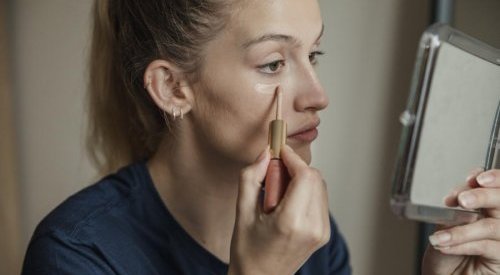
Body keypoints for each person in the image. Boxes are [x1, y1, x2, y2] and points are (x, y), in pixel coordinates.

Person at [21, 0, 500, 274]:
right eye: (273, 63)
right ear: (172, 87)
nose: (318, 96)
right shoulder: (77, 253)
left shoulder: (313, 236)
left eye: (313, 56)